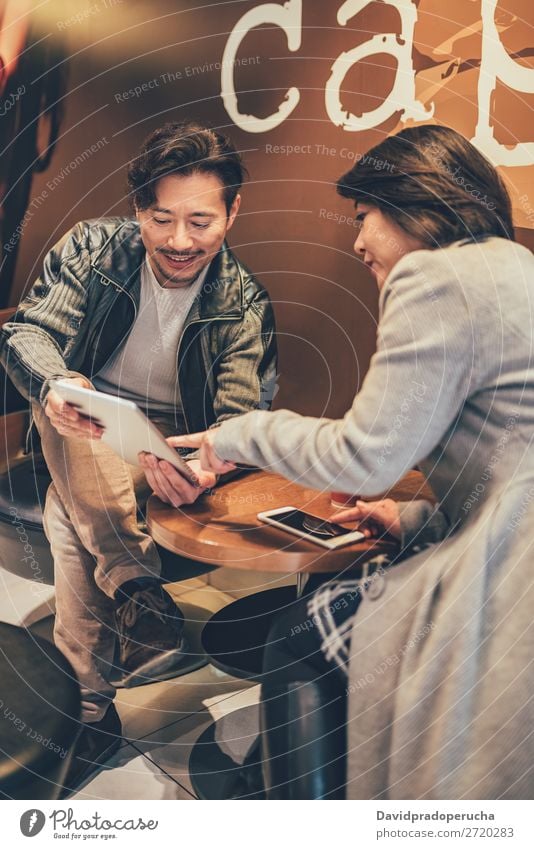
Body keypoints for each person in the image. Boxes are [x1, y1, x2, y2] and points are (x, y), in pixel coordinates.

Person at [165, 125, 534, 799]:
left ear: (413, 199)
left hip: (512, 587)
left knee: (302, 634)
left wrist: (236, 435)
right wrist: (416, 516)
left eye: (364, 217)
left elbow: (364, 454)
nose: (358, 241)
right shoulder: (514, 268)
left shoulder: (436, 275)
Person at [0, 121, 277, 793]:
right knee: (71, 394)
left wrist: (211, 459)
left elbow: (241, 417)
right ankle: (136, 586)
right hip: (79, 430)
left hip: (164, 458)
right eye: (162, 219)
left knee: (72, 520)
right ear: (137, 212)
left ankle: (89, 711)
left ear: (232, 212)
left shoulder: (243, 304)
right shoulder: (93, 249)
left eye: (200, 221)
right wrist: (56, 384)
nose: (180, 241)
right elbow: (28, 332)